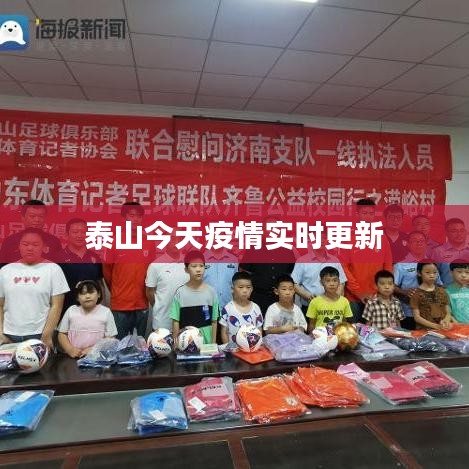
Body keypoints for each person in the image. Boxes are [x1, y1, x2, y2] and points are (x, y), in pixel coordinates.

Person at [0, 228, 69, 348]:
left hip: (39, 335)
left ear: (44, 247)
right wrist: (0, 333)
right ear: (19, 246)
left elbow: (57, 305)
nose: (30, 248)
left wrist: (47, 335)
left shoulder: (53, 269)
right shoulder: (5, 271)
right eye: (25, 244)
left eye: (35, 244)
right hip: (9, 335)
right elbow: (0, 305)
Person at [103, 202, 155, 339]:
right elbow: (107, 273)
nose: (135, 219)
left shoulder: (148, 241)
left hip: (142, 303)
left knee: (140, 345)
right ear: (124, 218)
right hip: (120, 304)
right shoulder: (113, 240)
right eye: (131, 215)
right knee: (120, 345)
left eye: (139, 216)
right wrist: (118, 290)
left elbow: (152, 271)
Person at [341, 199, 393, 322]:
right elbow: (344, 267)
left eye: (371, 213)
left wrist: (382, 290)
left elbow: (388, 266)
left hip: (377, 297)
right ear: (357, 214)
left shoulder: (381, 238)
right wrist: (358, 292)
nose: (368, 217)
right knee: (352, 332)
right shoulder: (348, 237)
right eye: (364, 213)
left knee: (376, 332)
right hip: (353, 298)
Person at [57, 280, 117, 358]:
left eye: (91, 292)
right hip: (73, 356)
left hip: (97, 357)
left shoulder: (106, 312)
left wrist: (94, 349)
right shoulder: (71, 310)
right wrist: (70, 349)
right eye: (83, 293)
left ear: (99, 294)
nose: (87, 296)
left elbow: (111, 337)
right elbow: (62, 334)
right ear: (77, 297)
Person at [170, 250, 219, 344]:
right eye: (194, 266)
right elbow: (175, 321)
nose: (198, 269)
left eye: (201, 266)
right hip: (186, 345)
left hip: (206, 345)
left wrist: (212, 344)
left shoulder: (211, 292)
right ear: (186, 269)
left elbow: (214, 321)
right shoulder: (180, 292)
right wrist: (176, 344)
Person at [393, 232, 441, 329]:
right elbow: (392, 287)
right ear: (408, 244)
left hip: (430, 312)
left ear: (426, 244)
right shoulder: (400, 265)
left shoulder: (431, 264)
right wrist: (404, 292)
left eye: (421, 241)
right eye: (414, 241)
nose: (418, 243)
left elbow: (439, 284)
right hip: (408, 313)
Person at [57, 218, 104, 316]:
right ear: (66, 235)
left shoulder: (94, 257)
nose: (79, 235)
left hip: (92, 312)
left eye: (83, 232)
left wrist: (101, 308)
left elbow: (100, 283)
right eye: (75, 232)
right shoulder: (58, 258)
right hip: (66, 312)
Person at [145, 236, 189, 331]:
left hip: (184, 324)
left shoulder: (188, 263)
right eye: (172, 239)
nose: (176, 242)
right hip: (162, 324)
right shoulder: (155, 265)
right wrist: (160, 305)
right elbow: (149, 292)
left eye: (180, 239)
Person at [0, 199, 62, 265]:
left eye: (41, 216)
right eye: (32, 216)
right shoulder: (10, 242)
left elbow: (58, 267)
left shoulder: (54, 242)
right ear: (23, 217)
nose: (37, 220)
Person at [292, 244, 347, 315]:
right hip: (309, 306)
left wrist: (335, 298)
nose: (321, 240)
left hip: (332, 307)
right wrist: (307, 295)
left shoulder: (334, 260)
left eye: (323, 238)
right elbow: (293, 283)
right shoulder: (302, 261)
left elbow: (341, 282)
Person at [219, 271, 263, 344]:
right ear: (232, 289)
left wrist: (257, 345)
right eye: (241, 287)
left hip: (252, 348)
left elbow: (259, 329)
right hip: (233, 349)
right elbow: (224, 332)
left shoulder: (256, 308)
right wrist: (228, 348)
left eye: (248, 287)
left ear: (252, 289)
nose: (245, 290)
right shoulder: (227, 309)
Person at [410, 262, 455, 330]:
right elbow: (417, 317)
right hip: (425, 331)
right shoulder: (416, 294)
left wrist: (446, 320)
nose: (432, 275)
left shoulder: (442, 291)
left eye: (435, 272)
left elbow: (448, 311)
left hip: (443, 329)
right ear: (419, 273)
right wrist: (436, 326)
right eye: (427, 272)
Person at [306, 266, 353, 331]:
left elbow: (344, 323)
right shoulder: (314, 302)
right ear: (321, 282)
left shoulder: (344, 301)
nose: (332, 284)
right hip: (320, 336)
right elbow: (312, 324)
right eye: (328, 281)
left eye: (335, 280)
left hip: (338, 335)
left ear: (339, 282)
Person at [433, 218, 469, 285]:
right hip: (447, 289)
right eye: (454, 231)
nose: (459, 234)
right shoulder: (438, 251)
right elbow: (433, 274)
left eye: (462, 230)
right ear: (446, 233)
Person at [204, 247, 238, 313]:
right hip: (207, 308)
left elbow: (236, 284)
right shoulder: (201, 258)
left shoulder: (233, 259)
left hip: (229, 308)